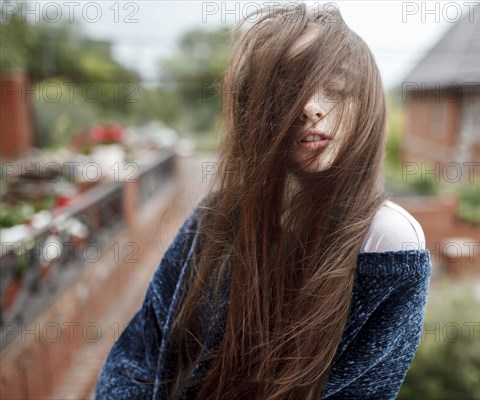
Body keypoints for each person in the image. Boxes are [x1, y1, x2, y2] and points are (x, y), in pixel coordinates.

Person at [96, 3, 431, 400]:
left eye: (336, 88)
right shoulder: (215, 218)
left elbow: (360, 389)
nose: (311, 107)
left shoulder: (386, 244)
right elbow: (139, 357)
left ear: (366, 103)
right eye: (287, 91)